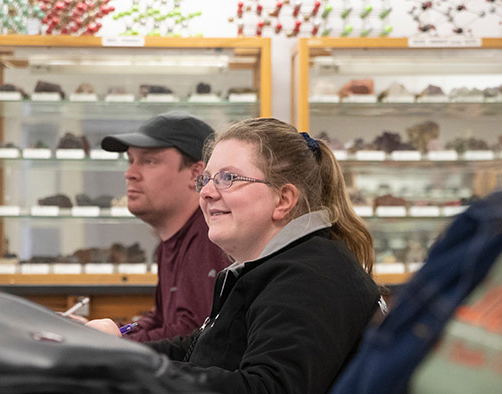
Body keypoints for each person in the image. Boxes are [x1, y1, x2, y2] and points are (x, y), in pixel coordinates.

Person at [88, 117, 381, 393]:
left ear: (283, 200)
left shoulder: (309, 277)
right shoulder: (274, 267)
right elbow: (196, 348)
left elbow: (267, 388)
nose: (206, 193)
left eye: (228, 178)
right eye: (206, 180)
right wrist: (118, 349)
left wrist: (131, 367)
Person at [99, 111, 230, 342]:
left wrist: (114, 342)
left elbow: (192, 334)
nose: (130, 174)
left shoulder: (209, 239)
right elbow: (159, 319)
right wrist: (117, 330)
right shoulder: (173, 240)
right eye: (131, 161)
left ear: (196, 173)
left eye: (149, 161)